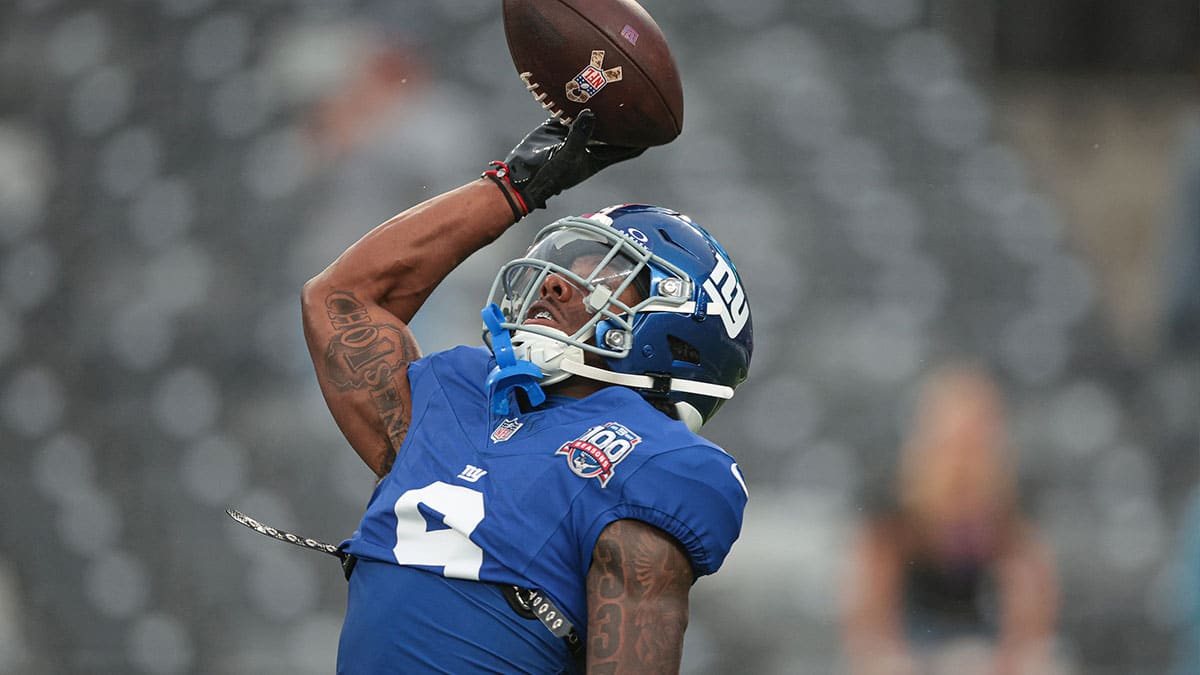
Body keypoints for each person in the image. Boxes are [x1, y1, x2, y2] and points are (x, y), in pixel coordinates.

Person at [300, 110, 754, 673]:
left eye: (608, 274)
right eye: (563, 265)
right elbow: (340, 296)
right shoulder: (460, 392)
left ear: (680, 330)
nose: (559, 281)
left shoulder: (656, 460)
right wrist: (514, 184)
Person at [841, 363, 1059, 675]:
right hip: (911, 648)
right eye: (952, 445)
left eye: (974, 446)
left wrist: (1006, 660)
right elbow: (867, 620)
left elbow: (1032, 615)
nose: (962, 464)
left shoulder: (1012, 514)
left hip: (987, 651)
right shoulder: (892, 513)